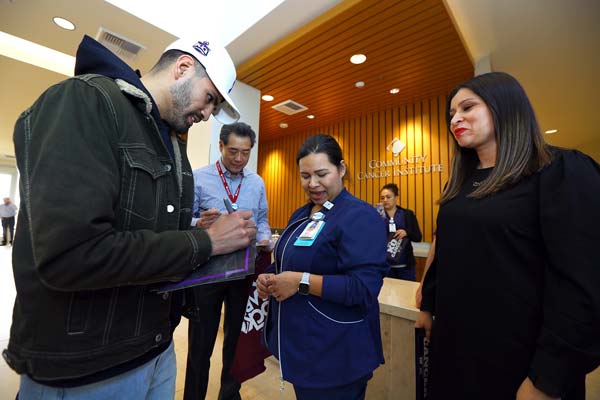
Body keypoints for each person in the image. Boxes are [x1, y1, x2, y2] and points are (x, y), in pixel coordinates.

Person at [4, 34, 257, 399]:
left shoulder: (169, 140)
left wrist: (192, 229)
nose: (206, 114)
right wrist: (205, 241)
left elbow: (137, 225)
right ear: (183, 68)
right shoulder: (86, 100)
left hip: (155, 348)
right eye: (209, 99)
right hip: (88, 370)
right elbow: (70, 255)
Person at [416, 72, 600, 400]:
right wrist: (428, 305)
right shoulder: (459, 185)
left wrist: (547, 380)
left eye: (467, 107)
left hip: (521, 364)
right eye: (451, 114)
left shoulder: (561, 171)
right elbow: (445, 248)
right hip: (456, 352)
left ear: (505, 105)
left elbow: (582, 284)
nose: (455, 118)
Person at [256, 134, 388, 400]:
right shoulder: (302, 214)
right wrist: (269, 278)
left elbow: (363, 289)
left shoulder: (360, 216)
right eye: (305, 176)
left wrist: (299, 281)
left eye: (321, 174)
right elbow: (287, 262)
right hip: (304, 349)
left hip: (337, 354)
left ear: (341, 169)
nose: (312, 184)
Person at [184, 122, 271, 400]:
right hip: (207, 272)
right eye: (233, 151)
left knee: (235, 343)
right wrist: (199, 222)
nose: (238, 158)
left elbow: (263, 220)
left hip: (242, 273)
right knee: (201, 344)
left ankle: (229, 395)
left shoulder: (256, 183)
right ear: (221, 146)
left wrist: (265, 237)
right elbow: (181, 221)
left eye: (245, 153)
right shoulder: (199, 177)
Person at [379, 183, 422, 281]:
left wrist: (407, 233)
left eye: (388, 197)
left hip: (405, 266)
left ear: (396, 197)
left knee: (407, 294)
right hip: (384, 266)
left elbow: (418, 237)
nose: (385, 200)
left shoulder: (407, 214)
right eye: (382, 198)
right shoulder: (377, 216)